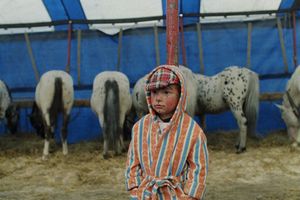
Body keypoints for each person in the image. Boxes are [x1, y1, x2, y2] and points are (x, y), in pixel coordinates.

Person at [125, 65, 209, 200]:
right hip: (146, 194)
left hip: (177, 195)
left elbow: (198, 168)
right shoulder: (139, 128)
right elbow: (132, 162)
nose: (158, 98)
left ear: (181, 95)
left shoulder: (192, 132)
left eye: (166, 92)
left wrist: (191, 195)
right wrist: (135, 190)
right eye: (154, 92)